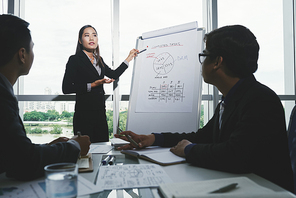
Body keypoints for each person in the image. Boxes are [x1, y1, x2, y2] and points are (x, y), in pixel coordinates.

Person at [115, 25, 294, 192]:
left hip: (266, 191)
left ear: (217, 62)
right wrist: (153, 138)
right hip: (240, 186)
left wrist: (188, 150)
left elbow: (236, 155)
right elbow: (202, 137)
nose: (202, 63)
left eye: (205, 55)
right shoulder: (231, 100)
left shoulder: (260, 100)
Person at [0, 14, 91, 181]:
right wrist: (74, 145)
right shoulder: (2, 95)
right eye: (32, 48)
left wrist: (46, 148)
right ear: (22, 54)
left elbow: (11, 152)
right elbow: (24, 162)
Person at [62, 25, 138, 143]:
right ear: (80, 40)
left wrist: (129, 58)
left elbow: (113, 74)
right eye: (87, 36)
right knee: (85, 152)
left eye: (94, 35)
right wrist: (92, 85)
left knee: (102, 148)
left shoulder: (99, 60)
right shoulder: (75, 59)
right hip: (84, 115)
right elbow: (66, 88)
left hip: (100, 114)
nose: (91, 38)